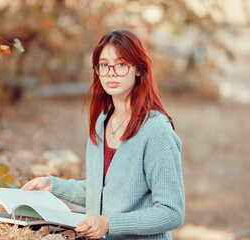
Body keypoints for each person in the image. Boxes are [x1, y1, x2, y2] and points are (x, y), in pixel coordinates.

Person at [22, 29, 185, 239]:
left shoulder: (156, 131)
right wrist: (53, 185)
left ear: (138, 69)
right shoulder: (102, 122)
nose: (111, 72)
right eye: (104, 65)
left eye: (121, 64)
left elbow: (172, 212)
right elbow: (102, 192)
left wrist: (109, 223)